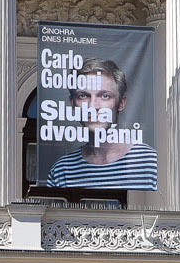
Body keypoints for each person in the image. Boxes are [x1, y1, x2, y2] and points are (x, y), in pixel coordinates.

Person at [43, 57, 157, 190]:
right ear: (72, 103)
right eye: (83, 96)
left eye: (104, 96)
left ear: (121, 103)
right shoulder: (62, 171)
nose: (92, 106)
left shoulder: (150, 163)